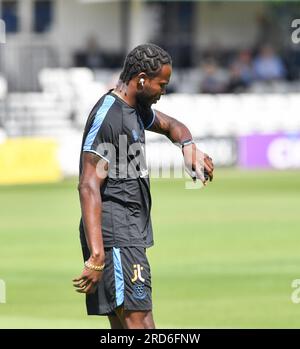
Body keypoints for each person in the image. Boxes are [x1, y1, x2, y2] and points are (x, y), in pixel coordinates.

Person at [72, 43, 214, 329]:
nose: (164, 90)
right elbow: (88, 185)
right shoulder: (108, 116)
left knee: (126, 325)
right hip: (116, 236)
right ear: (141, 79)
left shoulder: (134, 109)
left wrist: (188, 146)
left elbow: (171, 126)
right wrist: (97, 253)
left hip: (128, 233)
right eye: (161, 84)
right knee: (141, 322)